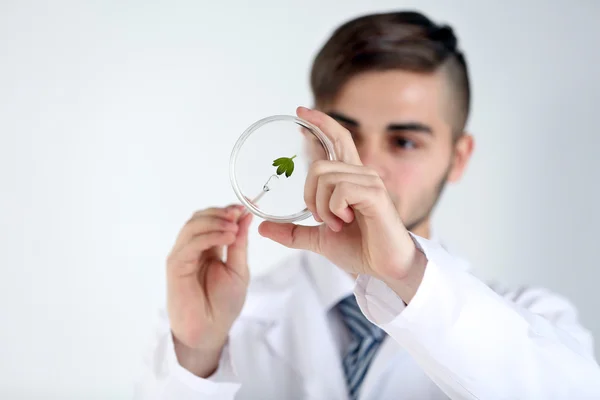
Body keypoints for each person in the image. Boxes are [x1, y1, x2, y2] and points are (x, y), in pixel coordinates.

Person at [134, 11, 600, 399]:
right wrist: (195, 361)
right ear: (308, 140)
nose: (365, 167)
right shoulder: (222, 317)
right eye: (346, 134)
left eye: (404, 141)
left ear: (458, 159)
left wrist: (403, 273)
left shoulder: (532, 320)